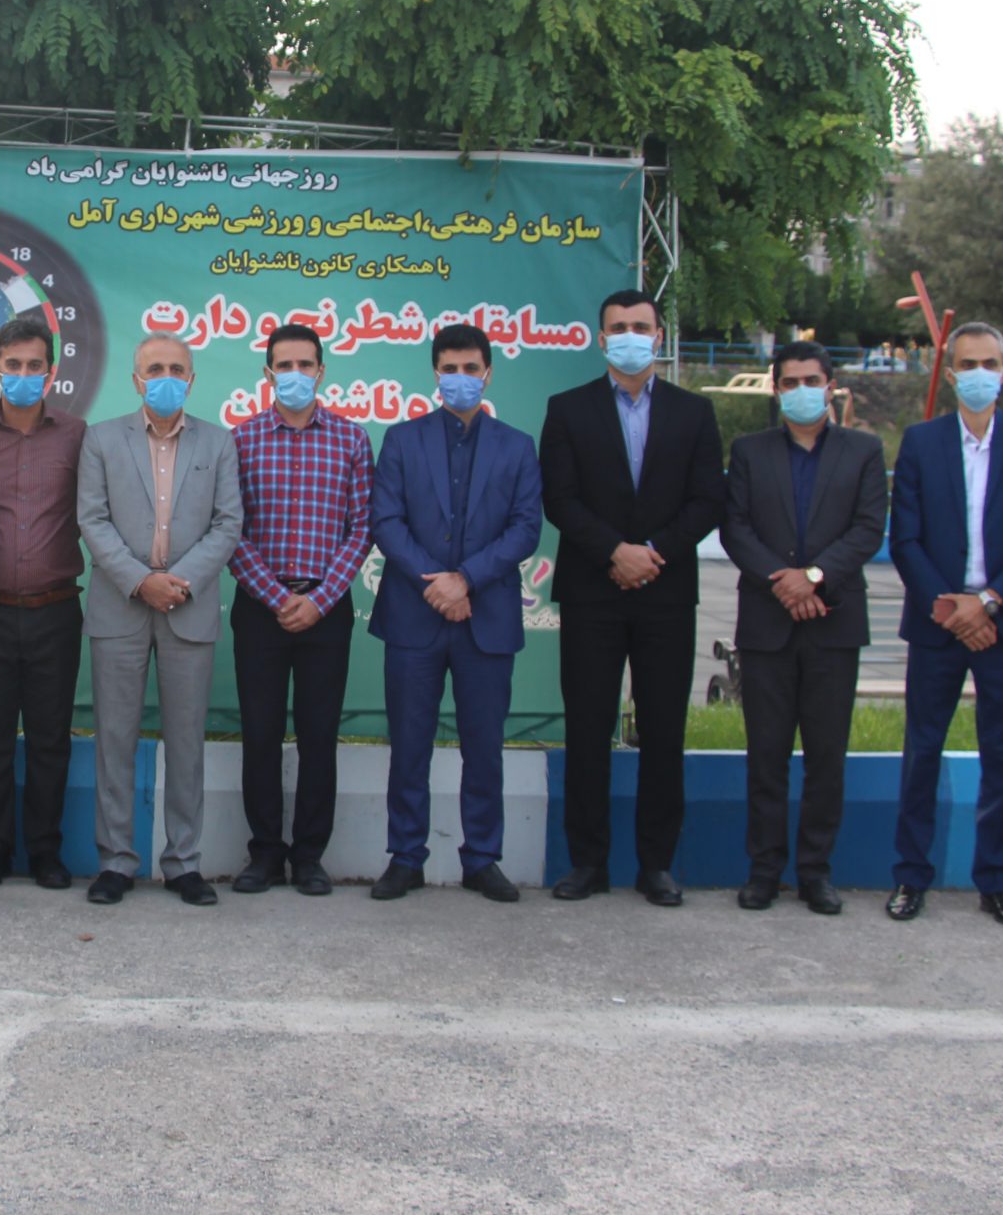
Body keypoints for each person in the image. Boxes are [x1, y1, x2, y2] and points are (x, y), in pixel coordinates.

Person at [539, 290, 725, 905]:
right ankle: (587, 863)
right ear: (601, 339)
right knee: (587, 728)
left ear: (659, 337)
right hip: (592, 591)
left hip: (666, 594)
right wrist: (614, 552)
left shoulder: (695, 413)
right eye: (617, 327)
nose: (629, 336)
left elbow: (707, 499)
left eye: (640, 326)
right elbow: (559, 498)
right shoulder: (567, 409)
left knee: (664, 730)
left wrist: (652, 553)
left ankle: (657, 865)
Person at [886, 321, 1003, 928]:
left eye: (989, 364)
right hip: (937, 623)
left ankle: (997, 881)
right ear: (951, 373)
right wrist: (952, 608)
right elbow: (905, 539)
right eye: (967, 364)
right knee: (922, 751)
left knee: (1001, 754)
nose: (978, 374)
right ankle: (910, 877)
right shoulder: (921, 442)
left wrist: (986, 602)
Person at [369, 323, 542, 901]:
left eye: (471, 369)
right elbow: (387, 522)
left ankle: (482, 858)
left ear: (488, 374)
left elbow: (525, 528)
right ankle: (406, 857)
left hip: (485, 618)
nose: (460, 378)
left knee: (484, 747)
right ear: (435, 374)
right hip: (414, 617)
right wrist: (436, 584)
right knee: (409, 745)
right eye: (450, 369)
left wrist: (465, 579)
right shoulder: (402, 440)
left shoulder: (517, 446)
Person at [717, 342, 888, 915]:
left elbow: (868, 528)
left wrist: (813, 577)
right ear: (775, 389)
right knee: (765, 755)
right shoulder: (750, 450)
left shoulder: (864, 451)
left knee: (826, 757)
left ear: (831, 386)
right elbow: (736, 528)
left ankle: (816, 872)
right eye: (789, 382)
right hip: (767, 625)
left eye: (811, 380)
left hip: (834, 624)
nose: (801, 391)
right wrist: (782, 581)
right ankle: (764, 871)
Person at [77, 336, 243, 906]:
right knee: (114, 740)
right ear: (136, 378)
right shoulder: (101, 439)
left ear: (191, 380)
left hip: (188, 607)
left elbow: (227, 524)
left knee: (187, 742)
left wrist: (180, 581)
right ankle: (116, 862)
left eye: (176, 369)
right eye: (154, 368)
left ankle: (183, 863)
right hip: (119, 604)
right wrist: (139, 580)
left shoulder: (219, 442)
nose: (165, 377)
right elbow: (92, 520)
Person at [228, 322, 373, 895]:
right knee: (260, 734)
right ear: (267, 373)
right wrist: (277, 596)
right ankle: (265, 853)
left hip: (327, 610)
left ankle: (310, 856)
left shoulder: (351, 440)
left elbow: (362, 529)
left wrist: (318, 599)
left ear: (321, 371)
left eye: (304, 365)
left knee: (319, 736)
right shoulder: (240, 441)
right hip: (259, 608)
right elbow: (230, 529)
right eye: (283, 366)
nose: (295, 375)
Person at [0, 314, 87, 891]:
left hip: (56, 609)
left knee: (51, 739)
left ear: (50, 371)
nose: (24, 374)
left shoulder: (78, 437)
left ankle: (46, 851)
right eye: (13, 365)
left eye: (34, 365)